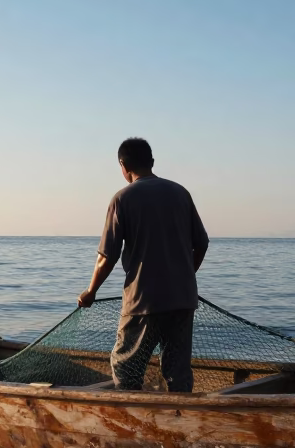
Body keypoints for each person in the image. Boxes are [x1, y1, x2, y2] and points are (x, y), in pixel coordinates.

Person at [77, 138, 209, 392]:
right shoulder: (180, 193)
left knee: (125, 365)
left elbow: (107, 256)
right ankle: (179, 422)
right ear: (152, 162)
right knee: (177, 369)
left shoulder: (123, 198)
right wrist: (183, 274)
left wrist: (90, 292)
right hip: (182, 298)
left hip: (144, 301)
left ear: (123, 165)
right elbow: (201, 244)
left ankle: (131, 422)